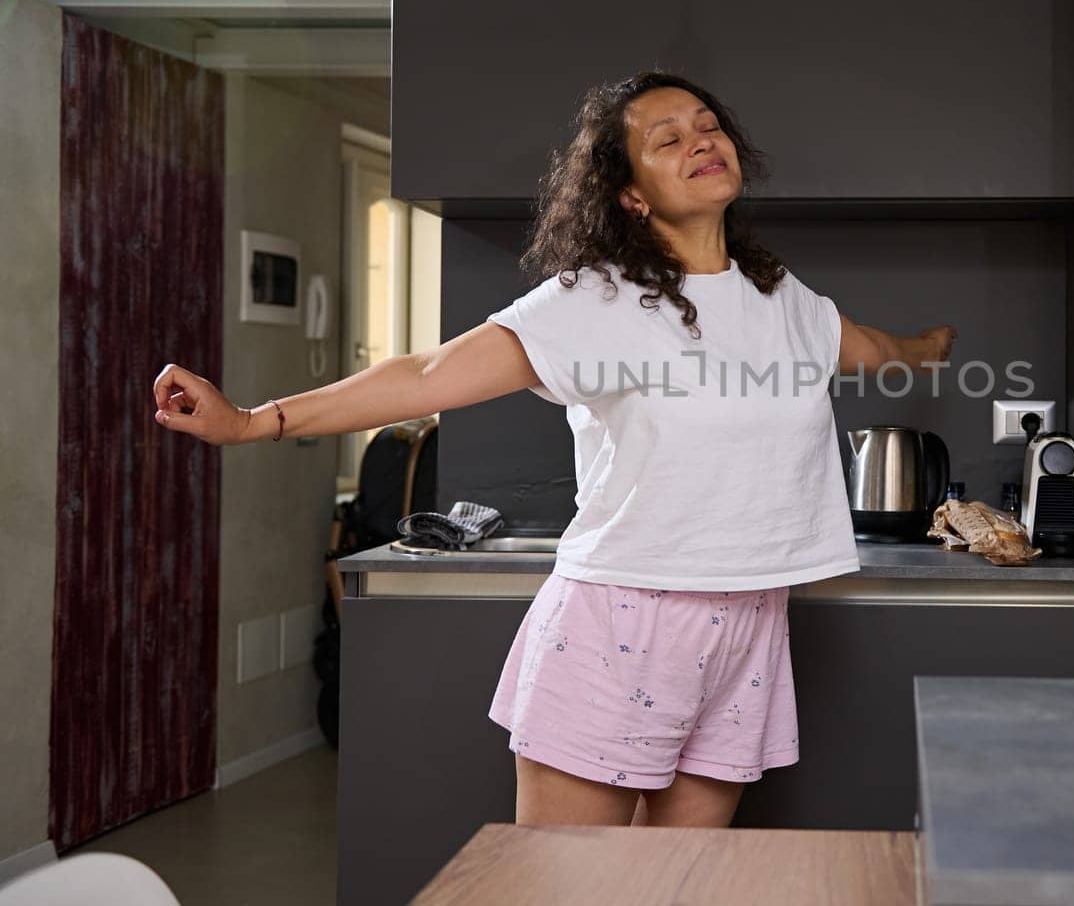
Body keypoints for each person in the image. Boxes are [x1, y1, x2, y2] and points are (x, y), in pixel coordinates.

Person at [152, 71, 957, 830]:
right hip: (627, 617)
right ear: (631, 195)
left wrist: (925, 349)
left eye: (707, 127)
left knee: (680, 887)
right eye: (667, 139)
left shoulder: (784, 298)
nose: (701, 142)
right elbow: (430, 370)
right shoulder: (596, 299)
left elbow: (863, 345)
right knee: (566, 887)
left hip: (751, 617)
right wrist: (257, 420)